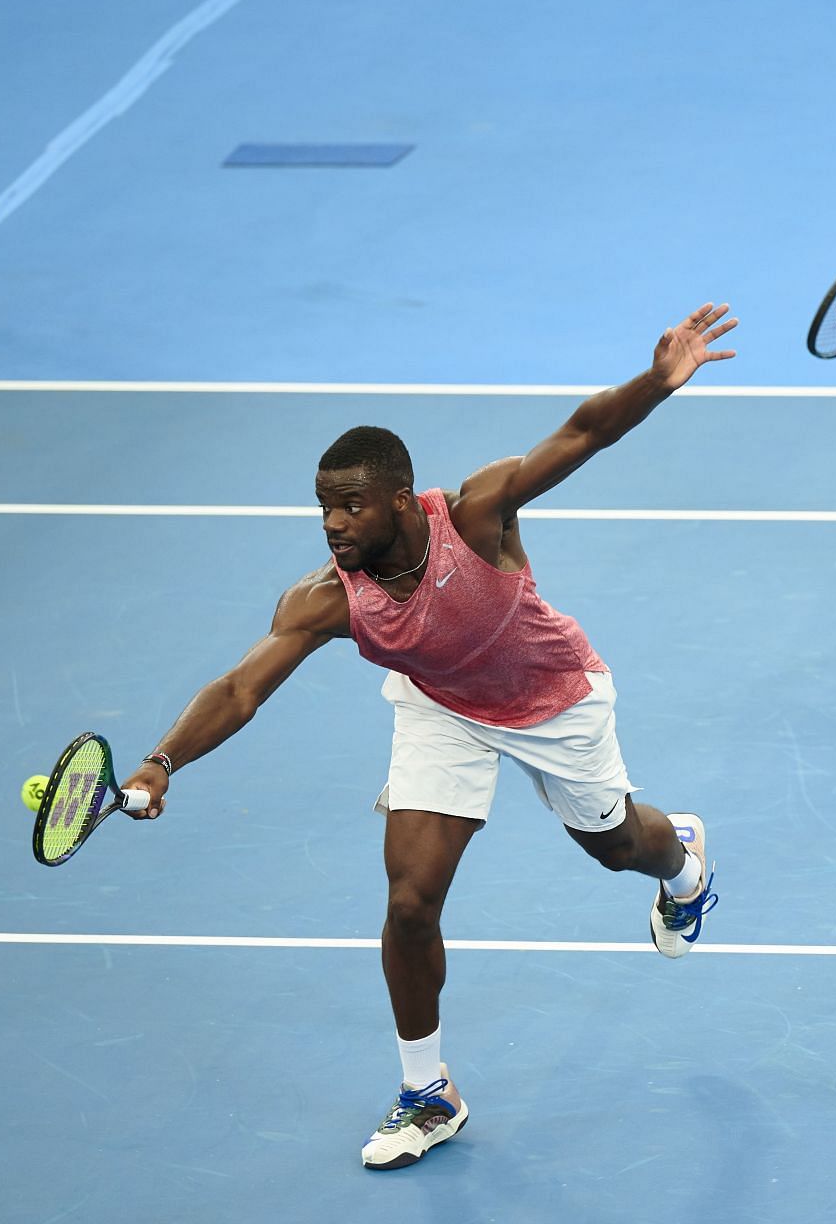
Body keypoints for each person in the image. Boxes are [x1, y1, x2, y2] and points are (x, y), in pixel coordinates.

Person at [114, 304, 737, 1170]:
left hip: (552, 699)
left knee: (619, 844)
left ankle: (684, 863)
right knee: (410, 901)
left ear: (401, 500)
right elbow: (240, 687)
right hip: (442, 705)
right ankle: (426, 1093)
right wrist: (160, 760)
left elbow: (584, 432)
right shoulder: (326, 599)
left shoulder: (478, 515)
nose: (333, 524)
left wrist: (657, 383)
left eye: (351, 507)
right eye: (324, 508)